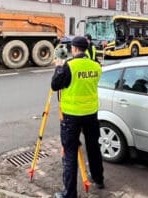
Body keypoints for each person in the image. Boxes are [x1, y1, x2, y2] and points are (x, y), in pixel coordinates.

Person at [51, 36, 104, 198]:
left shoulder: (69, 66)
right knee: (94, 147)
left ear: (74, 49)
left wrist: (59, 66)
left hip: (72, 116)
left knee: (70, 153)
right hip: (91, 114)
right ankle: (98, 179)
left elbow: (55, 85)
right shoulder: (96, 66)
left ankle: (69, 193)